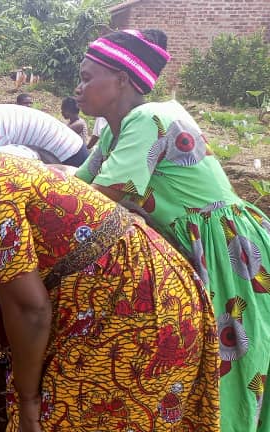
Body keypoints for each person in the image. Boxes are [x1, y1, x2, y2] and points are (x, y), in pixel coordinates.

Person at [0, 100, 219, 429]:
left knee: (64, 419)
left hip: (135, 303)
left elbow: (29, 309)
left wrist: (27, 401)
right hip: (148, 293)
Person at [76, 28, 270, 431]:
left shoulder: (151, 118)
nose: (78, 88)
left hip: (224, 249)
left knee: (232, 358)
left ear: (122, 80)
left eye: (87, 77)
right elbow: (76, 186)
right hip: (195, 244)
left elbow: (96, 198)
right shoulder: (115, 129)